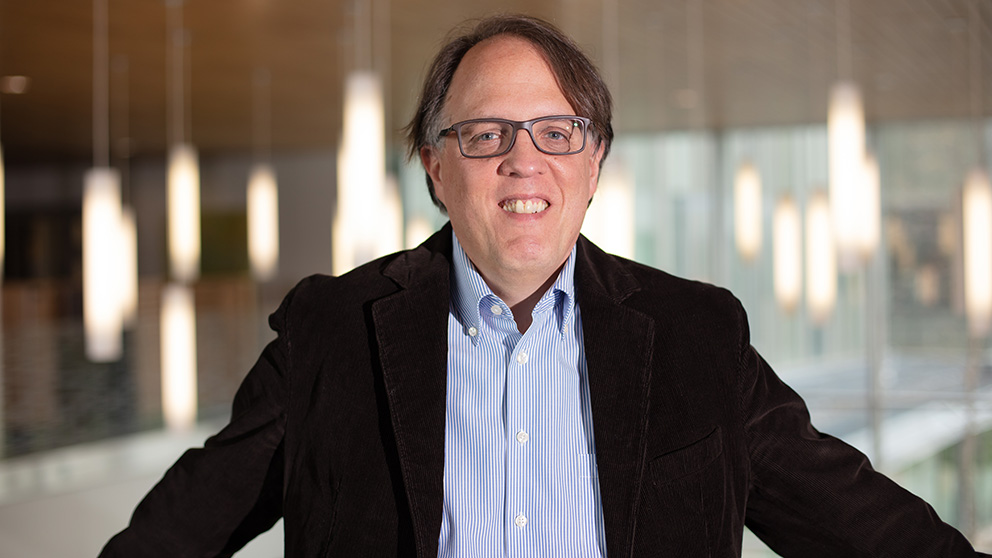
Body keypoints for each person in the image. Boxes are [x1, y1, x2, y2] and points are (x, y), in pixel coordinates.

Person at [101, 14, 987, 558]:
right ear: (434, 167)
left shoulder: (696, 335)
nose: (524, 159)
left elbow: (868, 531)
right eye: (485, 133)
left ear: (595, 160)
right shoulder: (328, 332)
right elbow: (173, 537)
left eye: (559, 131)